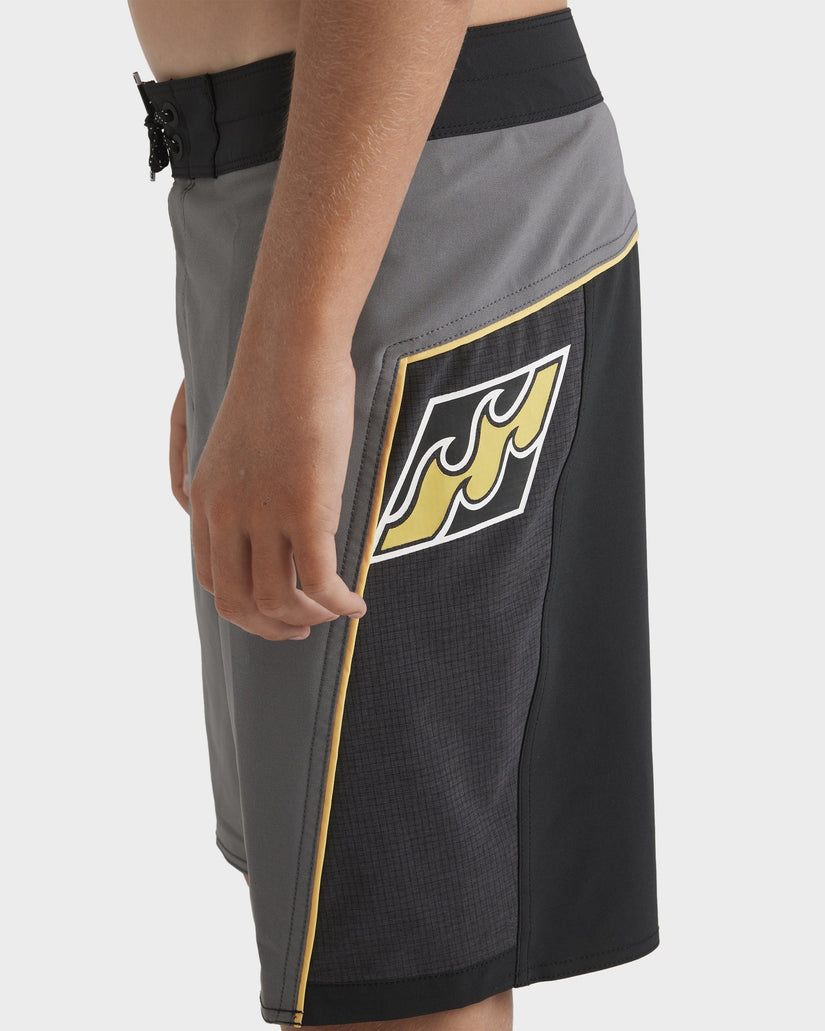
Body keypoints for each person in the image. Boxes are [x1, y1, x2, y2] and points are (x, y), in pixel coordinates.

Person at [128, 1, 659, 1028]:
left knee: (397, 958)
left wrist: (291, 343)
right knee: (335, 915)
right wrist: (262, 323)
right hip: (310, 191)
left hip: (409, 200)